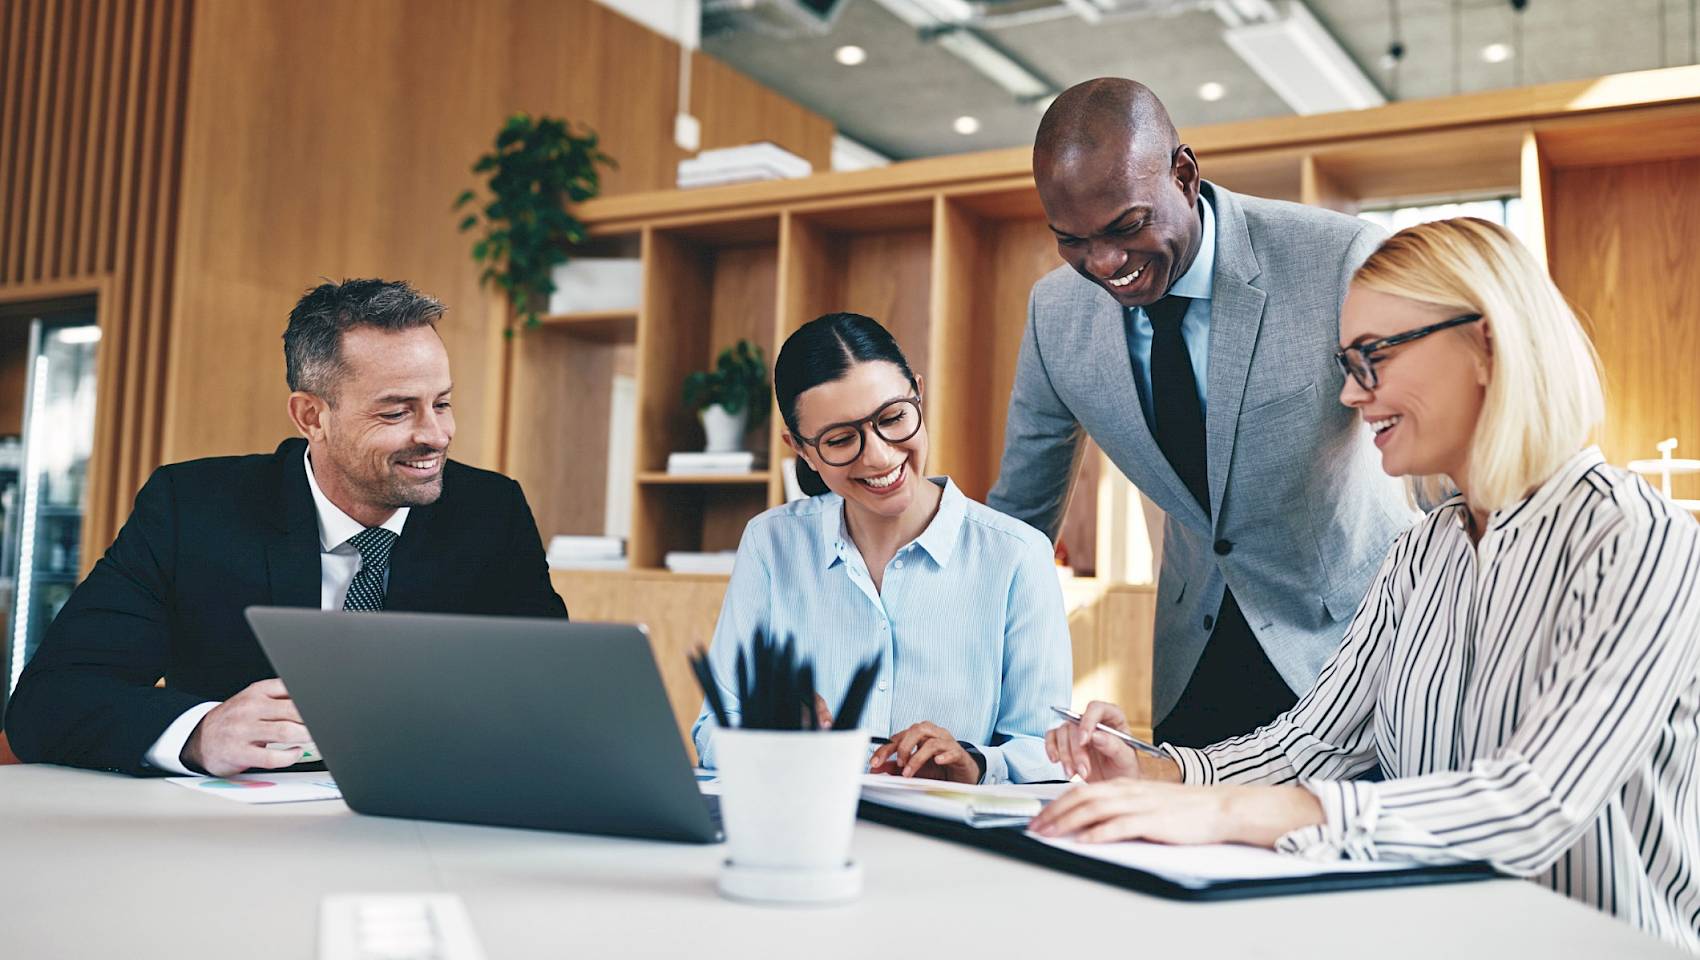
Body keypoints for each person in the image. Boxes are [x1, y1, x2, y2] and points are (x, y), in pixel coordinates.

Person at [1030, 218, 1700, 951]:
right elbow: (1312, 743)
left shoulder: (1639, 539)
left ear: (1487, 342)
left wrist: (1232, 816)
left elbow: (1534, 801)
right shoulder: (1419, 554)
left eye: (1372, 357)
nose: (1351, 395)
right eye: (1347, 363)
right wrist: (1157, 771)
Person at [987, 78, 1415, 747]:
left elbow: (1435, 447)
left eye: (1126, 226)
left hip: (1356, 650)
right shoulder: (1056, 313)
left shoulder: (1336, 259)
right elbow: (1020, 516)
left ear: (1184, 174)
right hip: (1195, 662)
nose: (1104, 263)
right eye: (1070, 239)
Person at [4, 279, 568, 776]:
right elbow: (50, 702)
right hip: (232, 842)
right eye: (397, 412)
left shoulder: (490, 512)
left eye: (441, 404)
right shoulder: (194, 508)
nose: (437, 434)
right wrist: (202, 734)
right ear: (311, 417)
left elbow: (551, 698)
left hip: (425, 826)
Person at [692, 312, 1071, 785]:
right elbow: (713, 730)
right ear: (801, 449)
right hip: (803, 825)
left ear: (918, 392)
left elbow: (1046, 755)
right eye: (840, 439)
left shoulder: (1016, 555)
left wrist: (973, 764)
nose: (879, 456)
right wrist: (766, 735)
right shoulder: (771, 544)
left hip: (948, 847)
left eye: (892, 418)